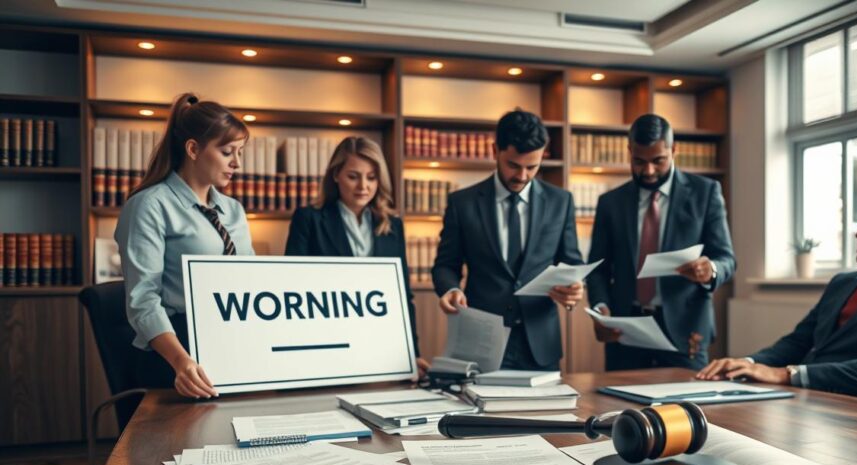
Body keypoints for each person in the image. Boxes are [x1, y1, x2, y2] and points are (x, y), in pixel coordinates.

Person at [697, 187, 857, 396]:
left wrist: (786, 375)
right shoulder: (843, 283)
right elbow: (798, 342)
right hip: (804, 394)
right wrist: (747, 363)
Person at [115, 92, 253, 401]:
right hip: (176, 354)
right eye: (227, 152)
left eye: (240, 152)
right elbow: (143, 299)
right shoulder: (149, 205)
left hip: (231, 344)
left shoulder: (233, 210)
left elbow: (249, 281)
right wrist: (182, 362)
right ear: (193, 149)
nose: (237, 163)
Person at [432, 109, 584, 371]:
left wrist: (574, 287)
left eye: (532, 167)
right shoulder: (462, 203)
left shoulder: (561, 201)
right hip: (482, 342)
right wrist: (451, 289)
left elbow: (571, 262)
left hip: (541, 343)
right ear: (495, 151)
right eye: (513, 165)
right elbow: (445, 265)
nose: (522, 176)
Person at [587, 114, 736, 371]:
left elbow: (727, 259)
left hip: (685, 331)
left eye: (658, 161)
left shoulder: (705, 193)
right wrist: (600, 308)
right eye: (639, 161)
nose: (648, 171)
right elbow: (597, 269)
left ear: (673, 150)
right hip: (625, 331)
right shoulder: (610, 203)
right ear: (629, 151)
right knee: (620, 398)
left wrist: (710, 270)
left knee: (686, 398)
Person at [285, 136, 429, 379]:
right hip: (324, 343)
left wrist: (412, 353)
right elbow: (293, 288)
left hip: (378, 345)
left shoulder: (392, 225)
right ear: (336, 175)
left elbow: (403, 296)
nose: (363, 186)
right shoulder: (308, 219)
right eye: (353, 176)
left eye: (371, 177)